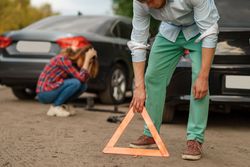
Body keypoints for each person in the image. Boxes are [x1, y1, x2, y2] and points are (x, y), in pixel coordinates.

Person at [128, 0, 219, 160]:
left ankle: (194, 139)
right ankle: (151, 134)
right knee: (152, 77)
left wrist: (203, 76)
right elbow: (138, 42)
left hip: (200, 31)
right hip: (168, 31)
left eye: (151, 0)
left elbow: (210, 32)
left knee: (199, 80)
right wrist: (139, 86)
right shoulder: (140, 2)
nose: (148, 5)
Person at [36, 38, 98, 117]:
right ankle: (56, 107)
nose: (84, 64)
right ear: (80, 55)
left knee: (83, 86)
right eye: (84, 60)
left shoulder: (72, 64)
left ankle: (62, 106)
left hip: (51, 90)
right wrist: (86, 60)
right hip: (44, 93)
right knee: (76, 83)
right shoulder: (64, 59)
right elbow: (81, 78)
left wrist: (89, 61)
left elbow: (84, 80)